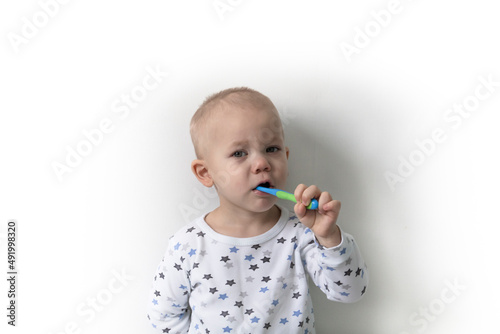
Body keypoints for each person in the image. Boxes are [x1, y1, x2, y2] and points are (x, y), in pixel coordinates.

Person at [147, 87, 368, 333]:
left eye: (271, 149)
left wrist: (328, 237)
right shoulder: (186, 245)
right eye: (239, 153)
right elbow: (164, 320)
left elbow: (350, 291)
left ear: (286, 156)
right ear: (206, 173)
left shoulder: (300, 233)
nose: (262, 163)